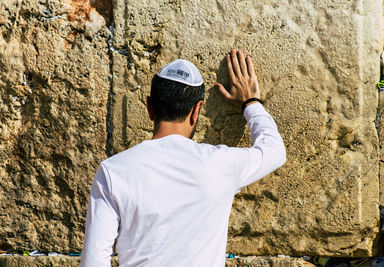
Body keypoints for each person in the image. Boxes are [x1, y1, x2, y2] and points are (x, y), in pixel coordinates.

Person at [80, 49, 286, 267]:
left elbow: (93, 261)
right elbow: (274, 150)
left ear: (150, 107)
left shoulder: (113, 171)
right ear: (196, 111)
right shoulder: (221, 164)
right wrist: (251, 102)